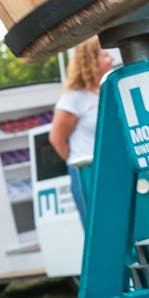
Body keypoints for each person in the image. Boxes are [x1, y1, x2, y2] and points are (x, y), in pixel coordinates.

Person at [49, 37, 114, 225]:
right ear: (90, 61)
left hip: (112, 167)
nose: (111, 59)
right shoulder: (74, 98)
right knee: (98, 226)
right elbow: (57, 139)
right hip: (88, 171)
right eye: (105, 55)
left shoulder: (107, 91)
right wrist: (78, 161)